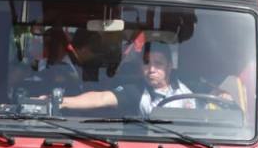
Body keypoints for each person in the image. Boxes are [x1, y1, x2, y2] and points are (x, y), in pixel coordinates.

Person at [59, 42, 196, 117]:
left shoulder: (191, 90)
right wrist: (61, 102)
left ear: (169, 66)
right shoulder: (136, 91)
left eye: (158, 64)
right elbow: (101, 98)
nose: (151, 69)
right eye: (146, 63)